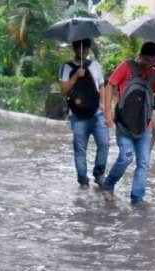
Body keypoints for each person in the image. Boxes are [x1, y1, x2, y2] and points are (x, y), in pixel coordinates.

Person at [103, 42, 155, 205]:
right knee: (126, 157)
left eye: (153, 61)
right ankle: (109, 184)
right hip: (124, 123)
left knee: (143, 162)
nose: (150, 64)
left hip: (144, 125)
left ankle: (137, 199)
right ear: (141, 56)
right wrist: (107, 112)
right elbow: (110, 85)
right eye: (148, 60)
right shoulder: (126, 67)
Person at [59, 38, 109, 188]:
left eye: (86, 49)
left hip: (97, 113)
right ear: (74, 49)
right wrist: (75, 76)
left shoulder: (95, 65)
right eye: (80, 49)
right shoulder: (66, 67)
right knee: (80, 149)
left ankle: (99, 174)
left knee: (104, 144)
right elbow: (64, 89)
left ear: (88, 50)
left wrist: (105, 106)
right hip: (77, 115)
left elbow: (102, 86)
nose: (84, 52)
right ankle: (83, 180)